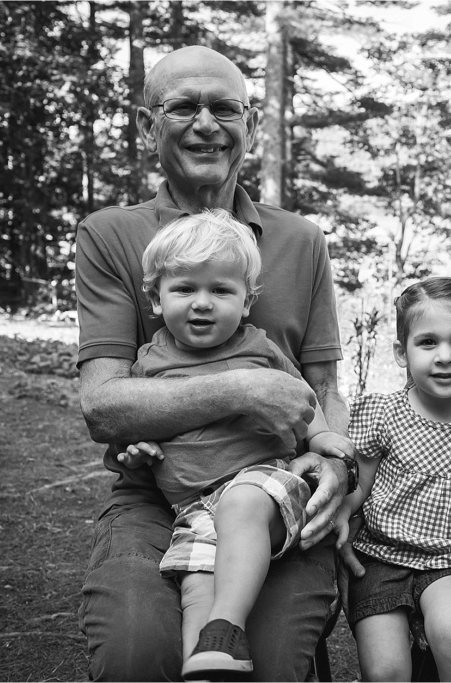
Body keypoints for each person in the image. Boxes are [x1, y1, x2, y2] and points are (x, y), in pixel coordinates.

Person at [74, 45, 357, 681]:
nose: (206, 124)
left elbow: (323, 387)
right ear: (147, 126)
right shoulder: (110, 235)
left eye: (225, 109)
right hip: (154, 495)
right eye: (183, 107)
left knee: (271, 662)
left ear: (250, 125)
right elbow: (103, 404)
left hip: (270, 489)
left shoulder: (300, 241)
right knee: (136, 655)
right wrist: (245, 390)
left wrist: (336, 466)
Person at [115, 209, 353, 678]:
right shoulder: (148, 364)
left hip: (264, 486)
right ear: (156, 299)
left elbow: (302, 393)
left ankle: (228, 627)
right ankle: (209, 662)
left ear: (247, 302)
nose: (202, 303)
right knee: (197, 584)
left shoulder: (258, 347)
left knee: (241, 504)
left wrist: (322, 436)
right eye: (185, 289)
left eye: (221, 291)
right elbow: (138, 427)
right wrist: (139, 451)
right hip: (192, 508)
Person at [332, 278, 451, 682]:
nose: (444, 356)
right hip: (380, 557)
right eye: (427, 343)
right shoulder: (382, 413)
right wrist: (343, 514)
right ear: (401, 352)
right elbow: (360, 487)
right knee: (385, 670)